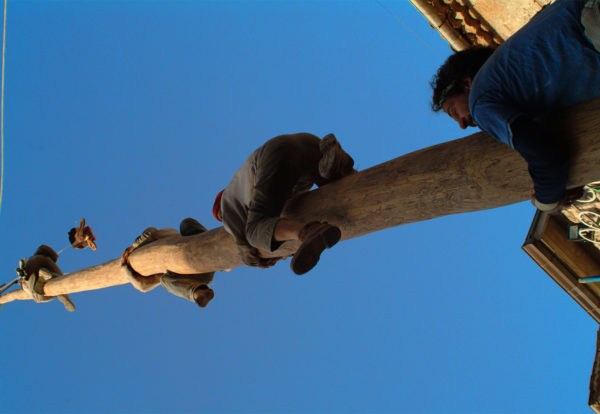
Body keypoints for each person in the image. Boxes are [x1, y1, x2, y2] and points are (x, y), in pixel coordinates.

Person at [430, 0, 600, 211]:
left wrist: (546, 201)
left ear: (466, 83)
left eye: (454, 112)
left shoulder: (480, 103)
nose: (463, 124)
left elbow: (546, 153)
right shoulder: (521, 74)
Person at [212, 132, 356, 275]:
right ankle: (340, 165)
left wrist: (253, 259)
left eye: (220, 216)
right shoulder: (243, 183)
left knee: (253, 232)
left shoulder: (227, 201)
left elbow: (243, 244)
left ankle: (309, 231)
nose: (223, 219)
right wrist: (284, 253)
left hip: (275, 157)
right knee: (338, 190)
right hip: (308, 144)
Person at [121, 218, 215, 308]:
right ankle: (196, 292)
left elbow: (150, 232)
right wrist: (125, 265)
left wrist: (133, 248)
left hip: (200, 267)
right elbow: (142, 286)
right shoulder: (157, 272)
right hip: (200, 273)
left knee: (186, 224)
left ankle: (195, 292)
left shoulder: (148, 244)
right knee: (165, 280)